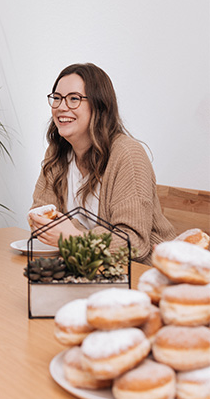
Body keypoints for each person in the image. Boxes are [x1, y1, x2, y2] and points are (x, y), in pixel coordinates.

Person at [28, 63, 176, 264]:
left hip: (140, 272)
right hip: (89, 267)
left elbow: (134, 242)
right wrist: (71, 236)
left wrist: (72, 237)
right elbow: (39, 215)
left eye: (74, 99)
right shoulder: (56, 152)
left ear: (99, 106)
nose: (62, 107)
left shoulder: (128, 155)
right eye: (57, 98)